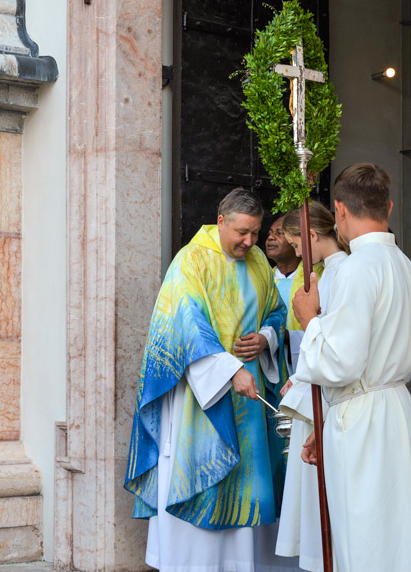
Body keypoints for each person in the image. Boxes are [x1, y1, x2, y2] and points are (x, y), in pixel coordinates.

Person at [125, 187, 294, 572]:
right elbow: (184, 324)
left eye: (255, 232)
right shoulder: (191, 261)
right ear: (220, 222)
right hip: (201, 395)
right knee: (205, 475)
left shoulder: (258, 262)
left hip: (249, 395)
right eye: (242, 232)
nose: (250, 241)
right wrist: (229, 370)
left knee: (245, 483)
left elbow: (277, 311)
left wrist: (265, 337)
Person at [292, 163, 411, 572]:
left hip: (364, 424)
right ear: (387, 206)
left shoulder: (357, 268)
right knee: (399, 540)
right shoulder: (404, 265)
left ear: (339, 209)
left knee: (367, 541)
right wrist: (324, 424)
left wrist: (309, 319)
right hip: (394, 411)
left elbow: (341, 362)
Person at [274, 202, 347, 571]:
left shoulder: (341, 273)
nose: (299, 254)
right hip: (314, 383)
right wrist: (299, 375)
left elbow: (332, 342)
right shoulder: (327, 273)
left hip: (329, 392)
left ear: (312, 235)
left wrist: (305, 375)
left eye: (297, 245)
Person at [265, 214, 300, 313]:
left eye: (279, 233)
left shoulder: (313, 277)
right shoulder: (265, 279)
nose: (270, 237)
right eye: (270, 233)